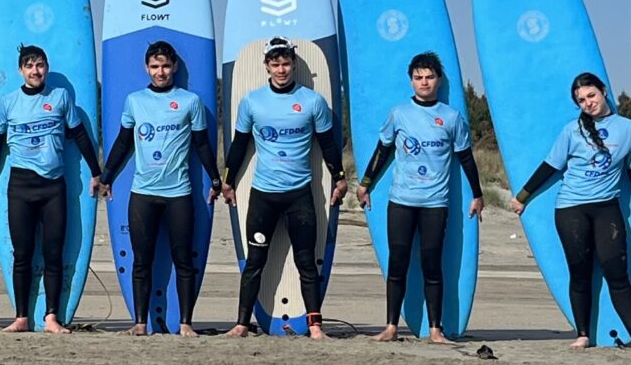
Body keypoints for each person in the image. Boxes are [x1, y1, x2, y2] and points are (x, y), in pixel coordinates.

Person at [511, 73, 631, 352]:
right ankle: (583, 334)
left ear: (603, 91)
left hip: (607, 208)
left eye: (591, 95)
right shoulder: (572, 130)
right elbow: (550, 165)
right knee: (580, 272)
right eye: (581, 100)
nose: (588, 103)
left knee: (617, 271)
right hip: (571, 208)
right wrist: (523, 196)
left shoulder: (626, 128)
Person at [357, 51, 483, 344]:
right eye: (418, 77)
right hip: (401, 201)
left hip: (435, 204)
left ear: (438, 80)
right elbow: (382, 150)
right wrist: (365, 184)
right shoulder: (399, 114)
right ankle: (391, 327)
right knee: (398, 264)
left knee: (432, 265)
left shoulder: (451, 117)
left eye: (429, 77)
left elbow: (466, 158)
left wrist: (477, 194)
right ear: (411, 81)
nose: (424, 82)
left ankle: (436, 329)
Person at [223, 37, 344, 340]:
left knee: (306, 262)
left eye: (286, 63)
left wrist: (340, 177)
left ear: (293, 64)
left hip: (299, 195)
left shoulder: (312, 101)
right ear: (266, 66)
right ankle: (241, 324)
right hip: (263, 195)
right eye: (275, 64)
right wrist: (227, 181)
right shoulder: (252, 102)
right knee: (255, 262)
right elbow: (239, 145)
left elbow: (328, 144)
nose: (281, 70)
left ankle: (315, 326)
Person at [0, 44, 105, 335]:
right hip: (20, 187)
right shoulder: (7, 103)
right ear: (20, 71)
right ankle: (21, 317)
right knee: (22, 254)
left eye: (39, 65)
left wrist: (96, 171)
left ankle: (51, 317)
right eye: (29, 66)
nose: (35, 71)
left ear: (46, 68)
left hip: (53, 187)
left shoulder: (60, 97)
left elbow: (80, 135)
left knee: (53, 253)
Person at [101, 39, 217, 337]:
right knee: (142, 261)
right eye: (155, 66)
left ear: (174, 67)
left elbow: (202, 145)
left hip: (179, 193)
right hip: (143, 193)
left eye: (165, 66)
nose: (160, 72)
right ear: (147, 68)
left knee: (183, 260)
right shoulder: (134, 101)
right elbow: (123, 142)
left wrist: (217, 181)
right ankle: (140, 323)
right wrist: (106, 176)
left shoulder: (190, 101)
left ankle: (186, 323)